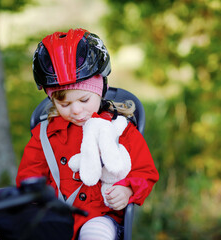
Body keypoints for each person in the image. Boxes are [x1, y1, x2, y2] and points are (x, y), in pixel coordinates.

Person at [16, 28, 159, 240]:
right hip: (55, 214)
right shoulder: (45, 133)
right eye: (63, 103)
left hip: (100, 214)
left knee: (95, 235)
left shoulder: (119, 129)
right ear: (52, 100)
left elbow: (145, 172)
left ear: (101, 90)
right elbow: (29, 176)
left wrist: (128, 189)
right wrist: (35, 203)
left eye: (84, 100)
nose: (75, 110)